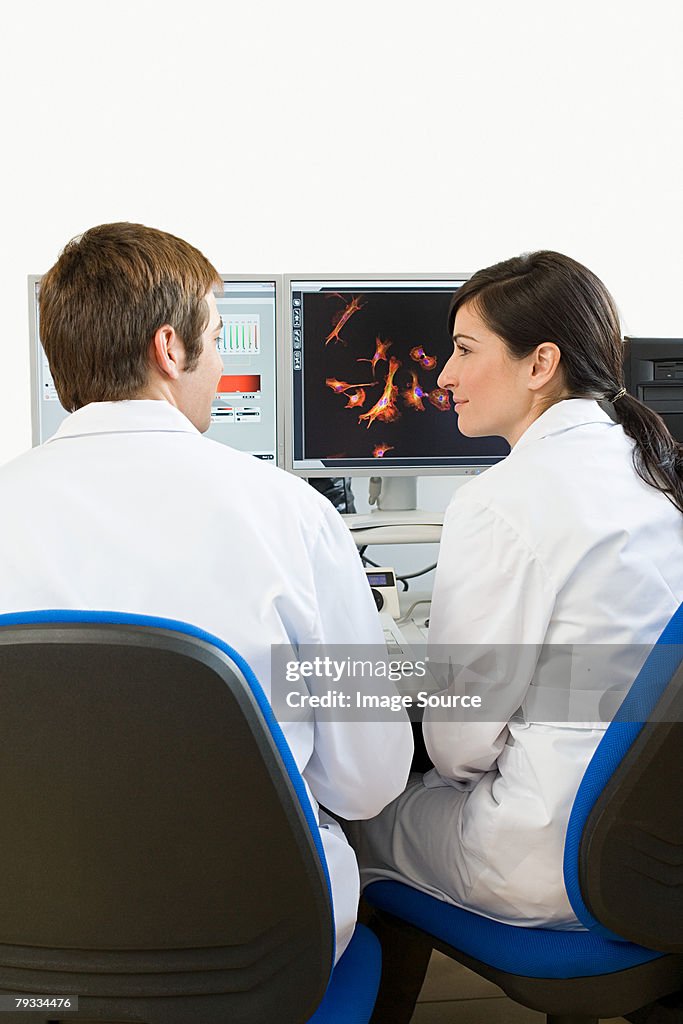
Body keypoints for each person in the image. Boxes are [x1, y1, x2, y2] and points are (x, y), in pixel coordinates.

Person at [0, 222, 413, 960]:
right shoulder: (291, 515)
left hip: (31, 936)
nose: (219, 364)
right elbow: (366, 783)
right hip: (257, 938)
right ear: (169, 349)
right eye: (217, 338)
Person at [355, 250, 683, 928]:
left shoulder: (500, 502)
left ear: (539, 365)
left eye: (463, 349)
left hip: (548, 857)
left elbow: (456, 746)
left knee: (345, 820)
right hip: (654, 850)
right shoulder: (653, 474)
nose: (443, 375)